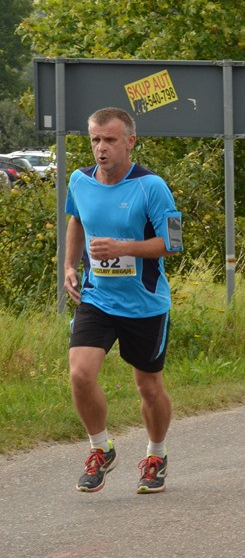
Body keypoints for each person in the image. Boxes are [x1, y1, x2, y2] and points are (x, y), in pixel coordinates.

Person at [64, 107, 182, 494]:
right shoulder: (79, 181)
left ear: (130, 141)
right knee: (80, 374)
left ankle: (156, 454)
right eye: (95, 140)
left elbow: (173, 243)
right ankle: (101, 448)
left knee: (148, 386)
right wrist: (69, 265)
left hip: (145, 303)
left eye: (110, 140)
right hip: (98, 297)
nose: (101, 148)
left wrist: (124, 246)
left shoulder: (152, 186)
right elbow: (77, 220)